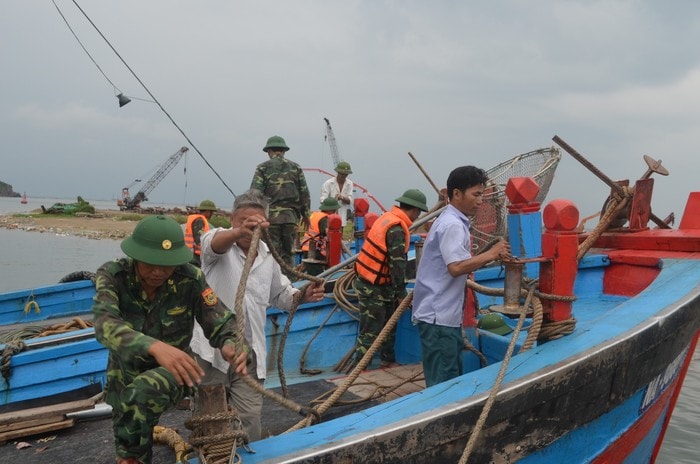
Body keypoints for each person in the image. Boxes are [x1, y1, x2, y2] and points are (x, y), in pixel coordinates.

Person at [92, 215, 248, 464]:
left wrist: (231, 343)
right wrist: (153, 346)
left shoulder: (190, 278)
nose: (158, 272)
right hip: (124, 376)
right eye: (150, 264)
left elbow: (219, 320)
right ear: (136, 256)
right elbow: (104, 324)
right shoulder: (113, 276)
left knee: (142, 393)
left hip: (176, 372)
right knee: (129, 447)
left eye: (166, 265)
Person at [190, 189, 325, 441]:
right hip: (211, 352)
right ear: (232, 219)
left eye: (257, 223)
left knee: (250, 419)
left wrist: (303, 295)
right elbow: (213, 244)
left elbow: (281, 295)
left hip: (249, 353)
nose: (250, 228)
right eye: (243, 222)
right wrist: (237, 233)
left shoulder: (268, 256)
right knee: (208, 419)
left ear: (266, 224)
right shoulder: (216, 244)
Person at [412, 166, 511, 387]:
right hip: (439, 319)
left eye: (481, 195)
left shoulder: (451, 220)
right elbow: (456, 268)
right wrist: (492, 253)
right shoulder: (453, 225)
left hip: (441, 317)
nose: (480, 201)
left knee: (448, 378)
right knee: (442, 385)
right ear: (456, 193)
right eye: (475, 195)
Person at [352, 188, 429, 368]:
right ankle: (360, 370)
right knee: (370, 331)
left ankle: (388, 361)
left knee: (389, 325)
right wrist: (401, 292)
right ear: (415, 210)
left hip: (379, 283)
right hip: (373, 287)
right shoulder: (396, 228)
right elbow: (397, 263)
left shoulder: (387, 218)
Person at [250, 135, 311, 272]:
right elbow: (304, 193)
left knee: (271, 252)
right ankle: (289, 282)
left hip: (270, 219)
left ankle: (272, 281)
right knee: (289, 252)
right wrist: (306, 215)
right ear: (283, 151)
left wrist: (254, 216)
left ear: (269, 151)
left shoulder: (262, 168)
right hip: (290, 218)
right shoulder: (296, 168)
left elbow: (255, 194)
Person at [319, 161, 354, 226]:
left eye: (346, 174)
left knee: (339, 234)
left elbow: (350, 200)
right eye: (342, 174)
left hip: (342, 217)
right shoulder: (328, 183)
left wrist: (342, 197)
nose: (344, 176)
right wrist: (333, 201)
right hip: (328, 218)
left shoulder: (350, 184)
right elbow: (322, 200)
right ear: (338, 172)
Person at [184, 199, 218, 266]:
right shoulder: (199, 221)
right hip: (195, 255)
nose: (212, 214)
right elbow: (199, 239)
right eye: (211, 212)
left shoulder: (197, 219)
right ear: (208, 212)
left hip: (191, 252)